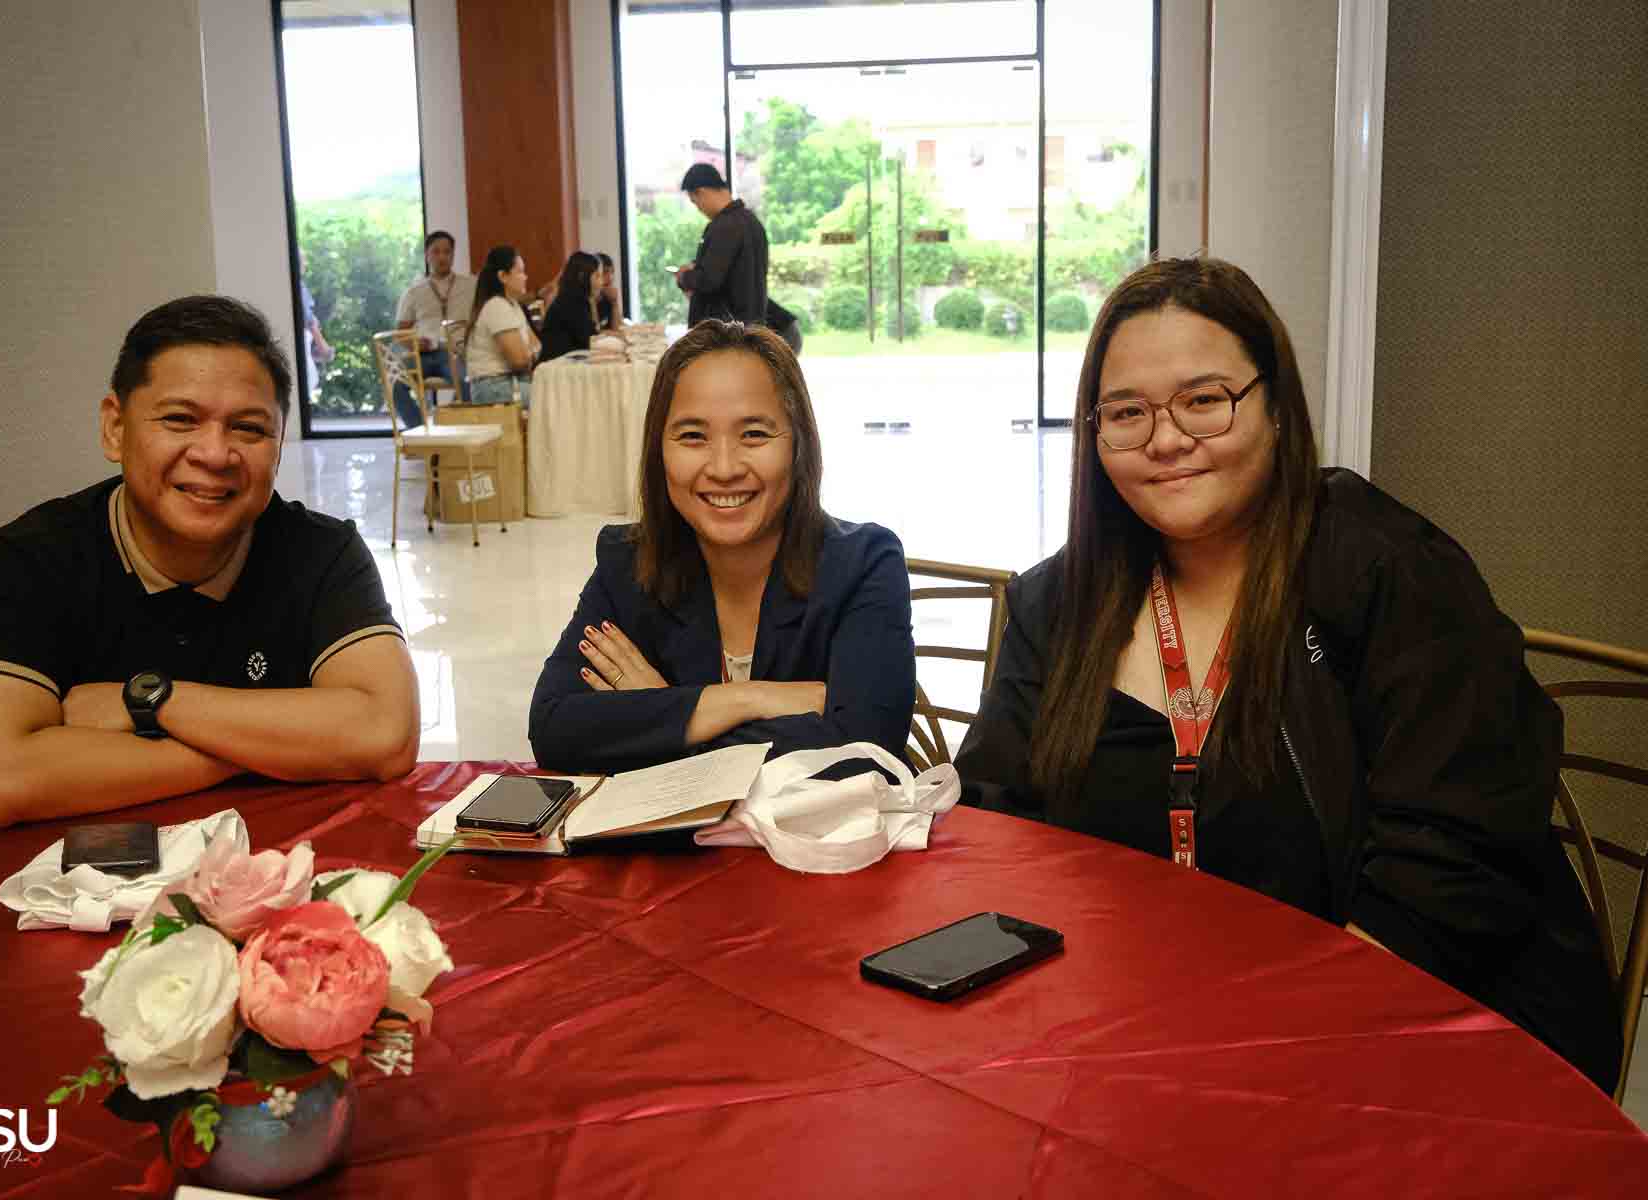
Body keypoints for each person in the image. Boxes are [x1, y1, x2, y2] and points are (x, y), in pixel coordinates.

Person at [953, 257, 1620, 1091]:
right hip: (1146, 1030)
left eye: (1204, 400)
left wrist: (1279, 1048)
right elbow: (994, 817)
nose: (1165, 439)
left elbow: (1454, 865)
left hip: (1406, 1036)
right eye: (1127, 412)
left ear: (1275, 408)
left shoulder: (1387, 571)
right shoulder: (1058, 603)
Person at [0, 296, 421, 828]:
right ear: (115, 428)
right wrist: (271, 751)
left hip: (275, 863)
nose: (215, 454)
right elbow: (3, 780)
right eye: (179, 419)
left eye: (249, 428)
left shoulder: (323, 552)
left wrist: (149, 701)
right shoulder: (31, 557)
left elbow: (385, 735)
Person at [528, 320, 914, 775]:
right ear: (659, 450)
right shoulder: (628, 563)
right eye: (693, 436)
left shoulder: (864, 564)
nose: (725, 468)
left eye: (754, 434)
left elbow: (866, 750)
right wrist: (744, 699)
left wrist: (663, 716)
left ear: (799, 444)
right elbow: (553, 728)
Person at [393, 230, 475, 426]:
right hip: (422, 355)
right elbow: (400, 332)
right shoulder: (414, 291)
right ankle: (420, 431)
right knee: (395, 384)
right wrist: (414, 343)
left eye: (447, 252)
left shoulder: (470, 285)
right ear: (427, 255)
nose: (442, 257)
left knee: (468, 383)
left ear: (453, 255)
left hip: (454, 353)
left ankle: (460, 430)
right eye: (436, 252)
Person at [675, 163, 769, 327]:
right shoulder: (752, 221)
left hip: (724, 331)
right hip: (750, 325)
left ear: (701, 192)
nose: (699, 209)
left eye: (695, 202)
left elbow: (709, 280)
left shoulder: (724, 226)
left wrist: (685, 276)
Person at [464, 245, 539, 407]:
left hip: (509, 382)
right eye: (520, 272)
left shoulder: (513, 305)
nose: (525, 277)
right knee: (554, 396)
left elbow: (537, 346)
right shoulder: (496, 306)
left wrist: (528, 353)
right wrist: (529, 354)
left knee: (556, 393)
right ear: (503, 276)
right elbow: (519, 361)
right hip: (493, 387)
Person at [537, 251, 601, 365]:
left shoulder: (576, 299)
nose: (601, 282)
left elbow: (592, 334)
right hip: (555, 368)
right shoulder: (571, 302)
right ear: (582, 276)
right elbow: (590, 341)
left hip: (566, 364)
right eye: (597, 276)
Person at [297, 249, 333, 402]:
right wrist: (324, 349)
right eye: (303, 260)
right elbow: (310, 322)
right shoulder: (298, 287)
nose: (306, 264)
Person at [594, 251, 623, 333]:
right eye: (605, 272)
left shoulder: (608, 296)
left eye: (612, 272)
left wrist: (614, 303)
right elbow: (593, 333)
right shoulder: (586, 300)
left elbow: (617, 329)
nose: (610, 278)